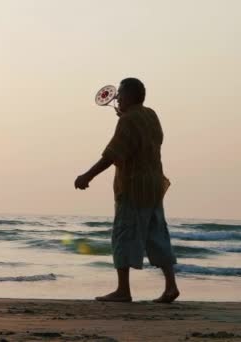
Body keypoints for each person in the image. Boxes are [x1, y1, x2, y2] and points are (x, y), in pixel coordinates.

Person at [74, 78, 180, 303]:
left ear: (130, 96)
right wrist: (126, 118)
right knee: (158, 236)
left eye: (120, 93)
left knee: (123, 235)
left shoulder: (128, 121)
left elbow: (112, 154)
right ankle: (171, 286)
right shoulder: (150, 115)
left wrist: (87, 175)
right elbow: (144, 141)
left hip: (133, 187)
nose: (117, 98)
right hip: (154, 185)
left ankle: (123, 290)